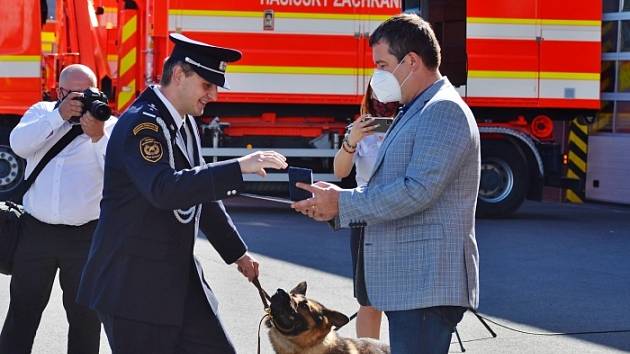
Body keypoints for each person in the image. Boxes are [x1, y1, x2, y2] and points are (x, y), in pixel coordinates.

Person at [76, 33, 288, 354]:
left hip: (175, 280)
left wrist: (237, 253)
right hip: (133, 287)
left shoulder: (185, 122)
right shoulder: (142, 125)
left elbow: (200, 191)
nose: (213, 95)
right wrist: (238, 167)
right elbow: (164, 189)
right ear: (179, 75)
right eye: (207, 85)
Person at [293, 13, 480, 354]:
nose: (377, 74)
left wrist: (343, 202)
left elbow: (417, 190)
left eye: (382, 64)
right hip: (412, 285)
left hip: (425, 287)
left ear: (411, 62)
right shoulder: (417, 107)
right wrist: (338, 200)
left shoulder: (442, 110)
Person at [1, 64, 117, 354]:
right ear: (60, 91)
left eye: (89, 92)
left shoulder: (109, 125)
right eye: (75, 93)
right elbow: (19, 144)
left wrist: (98, 136)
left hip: (85, 237)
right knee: (22, 313)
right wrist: (58, 116)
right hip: (35, 232)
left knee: (85, 319)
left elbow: (120, 174)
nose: (83, 99)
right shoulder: (42, 112)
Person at [333, 84, 399, 339]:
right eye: (377, 94)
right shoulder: (359, 129)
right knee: (369, 301)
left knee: (402, 301)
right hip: (366, 219)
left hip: (401, 215)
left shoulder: (410, 124)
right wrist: (352, 140)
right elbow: (340, 172)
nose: (382, 102)